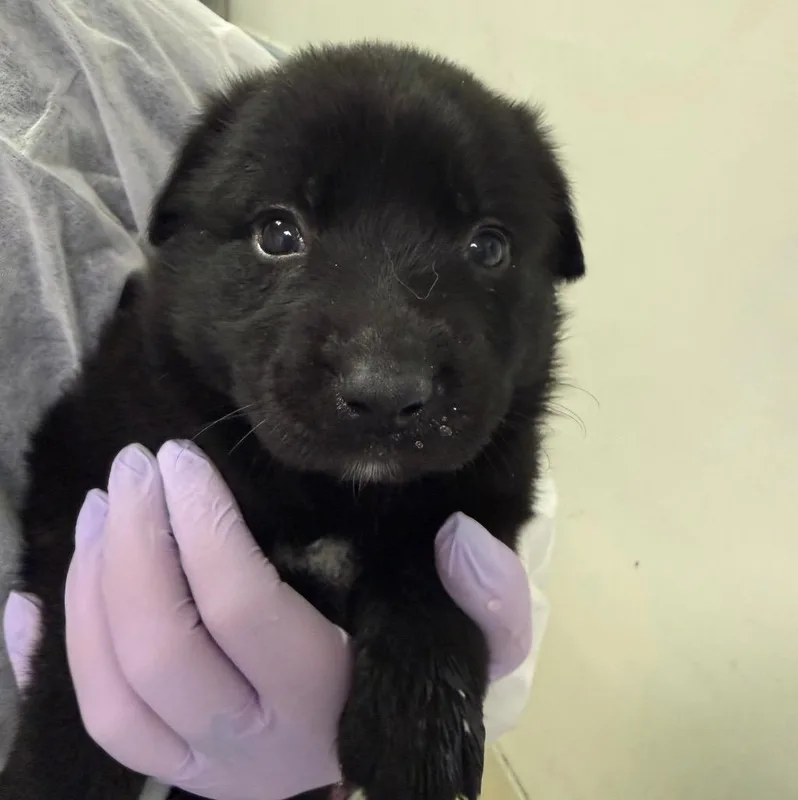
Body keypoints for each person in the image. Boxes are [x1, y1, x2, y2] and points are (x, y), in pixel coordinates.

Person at [0, 1, 555, 798]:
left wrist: (429, 636)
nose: (384, 374)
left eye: (486, 247)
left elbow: (484, 547)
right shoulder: (145, 401)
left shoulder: (123, 35)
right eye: (280, 235)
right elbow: (63, 465)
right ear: (183, 232)